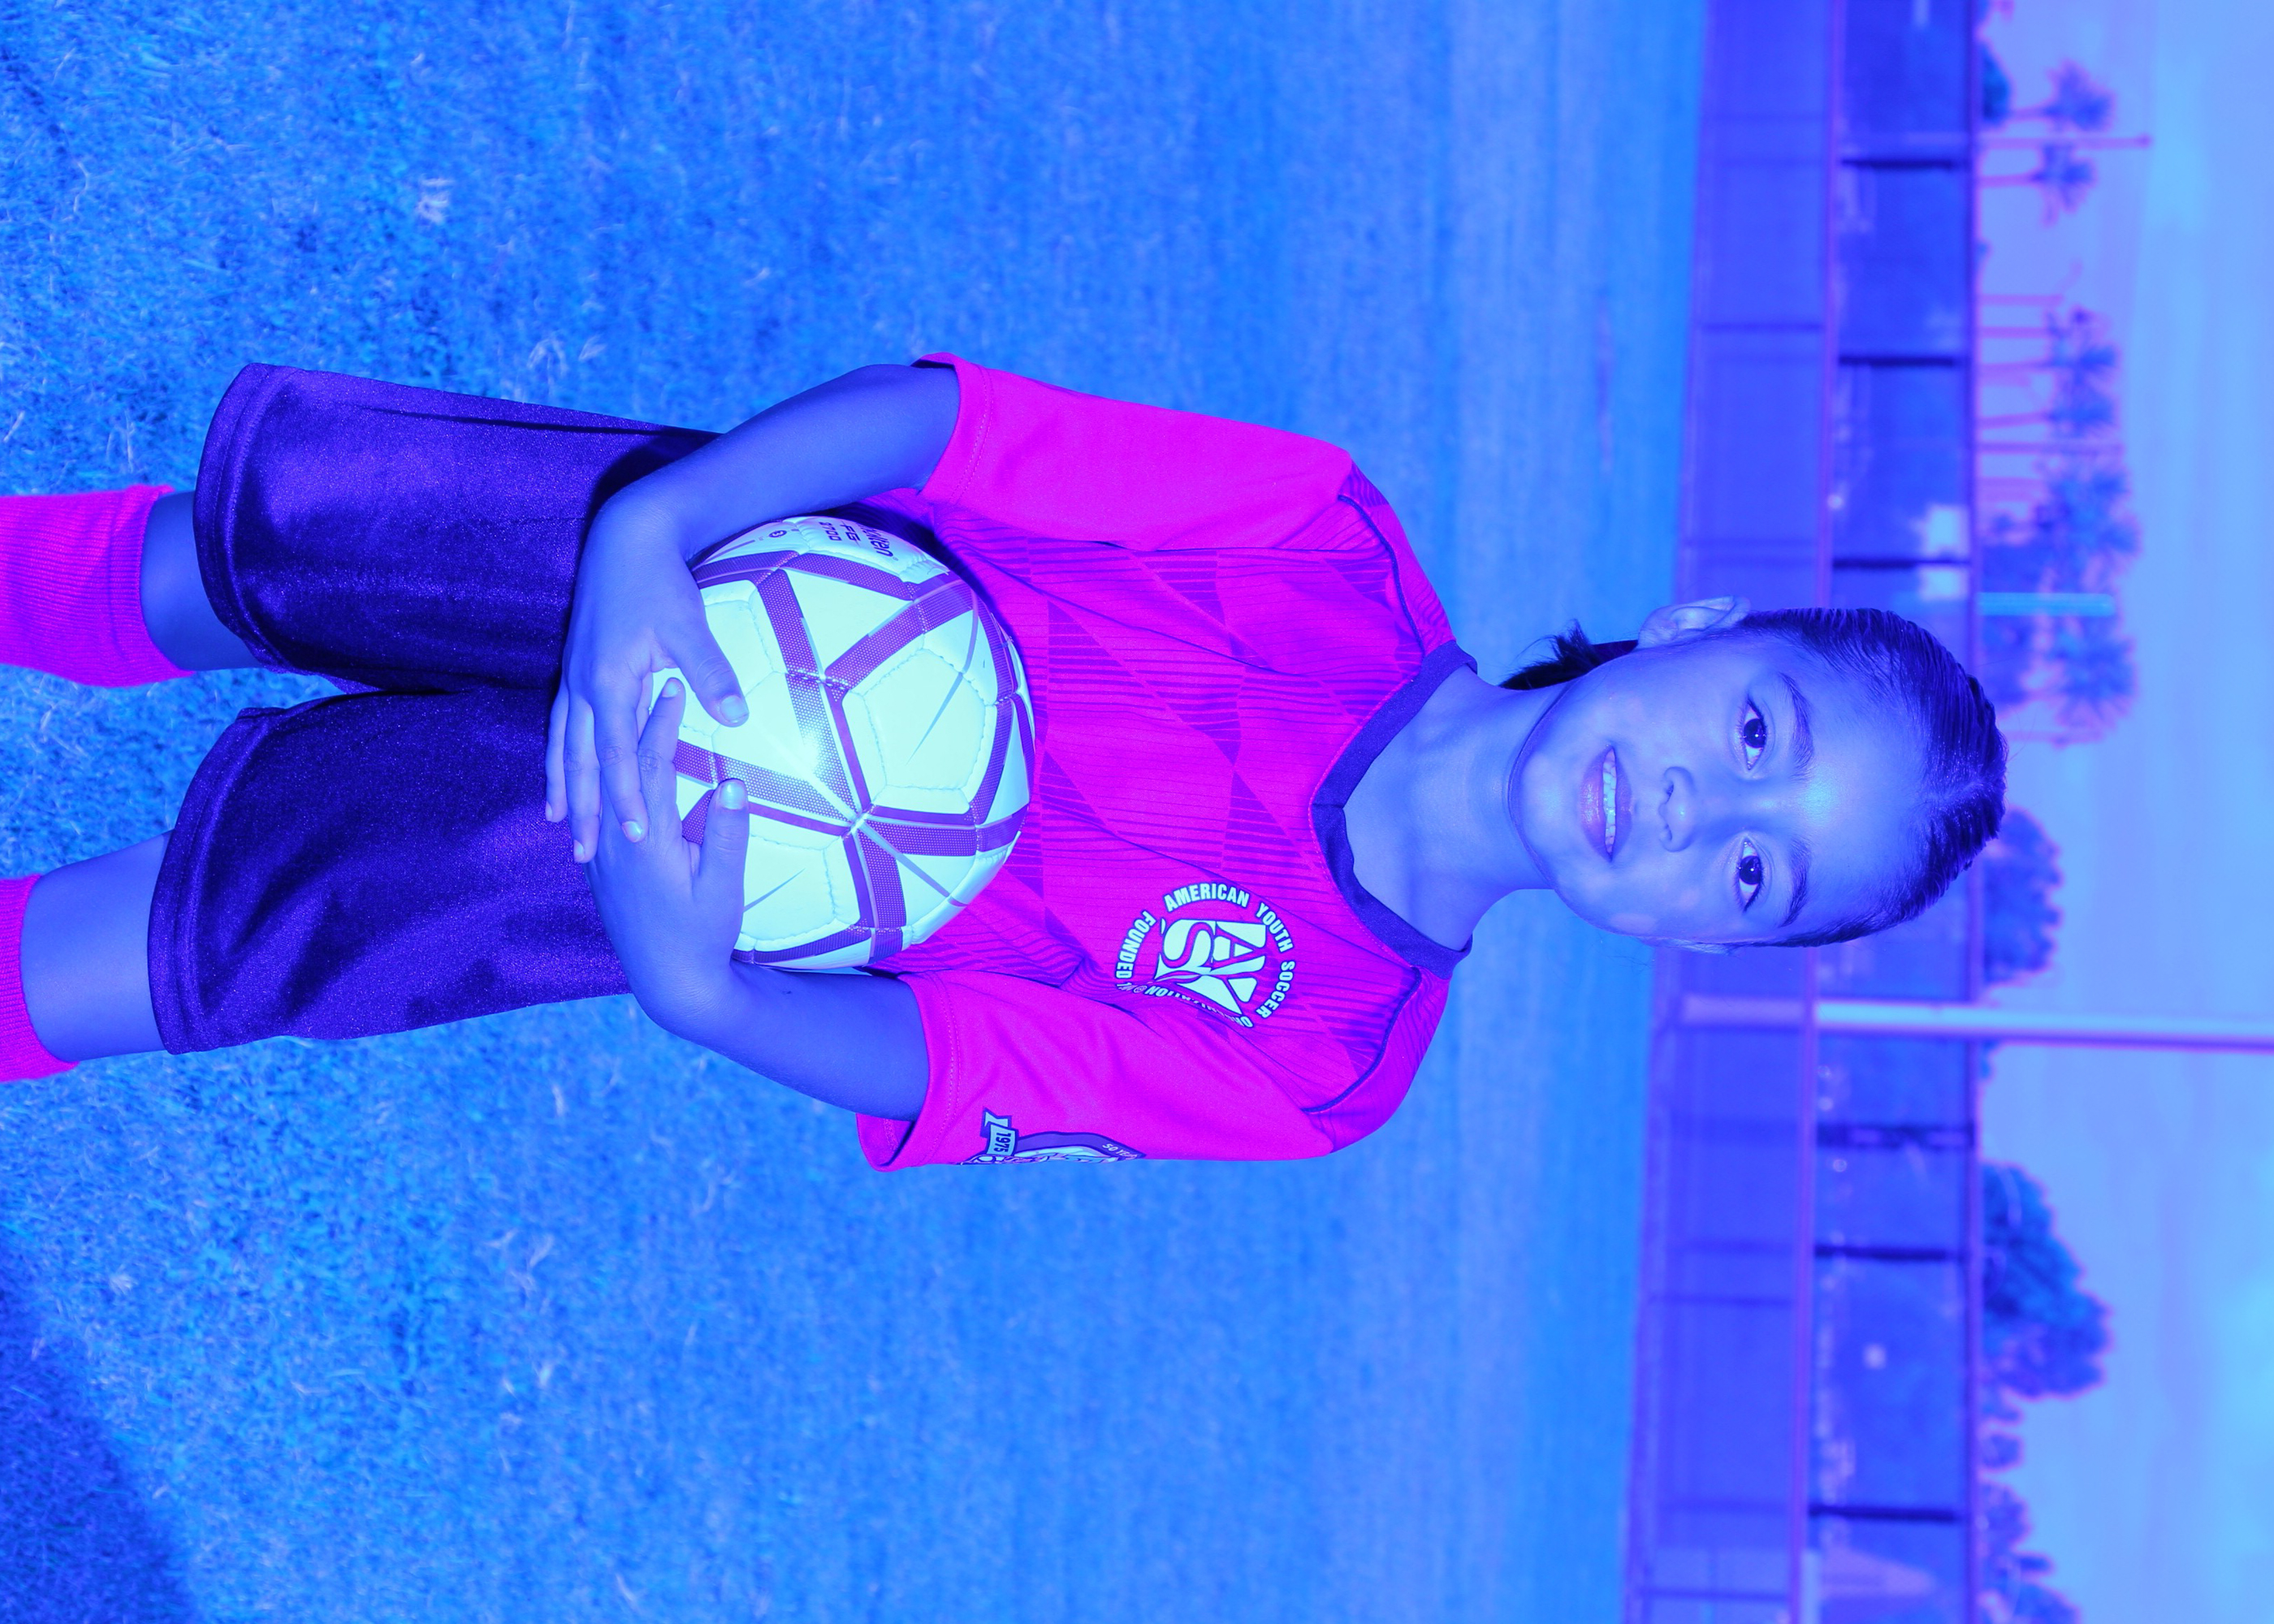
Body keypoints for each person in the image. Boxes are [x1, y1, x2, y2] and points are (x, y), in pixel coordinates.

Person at [0, 356, 2006, 1168]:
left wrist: (705, 990)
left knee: (170, 957)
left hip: (646, 860)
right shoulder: (1321, 538)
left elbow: (969, 1063)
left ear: (1702, 942)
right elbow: (948, 428)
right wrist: (651, 537)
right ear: (1696, 625)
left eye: (1754, 871)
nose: (1696, 808)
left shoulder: (1322, 1064)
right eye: (1756, 727)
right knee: (220, 564)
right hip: (705, 557)